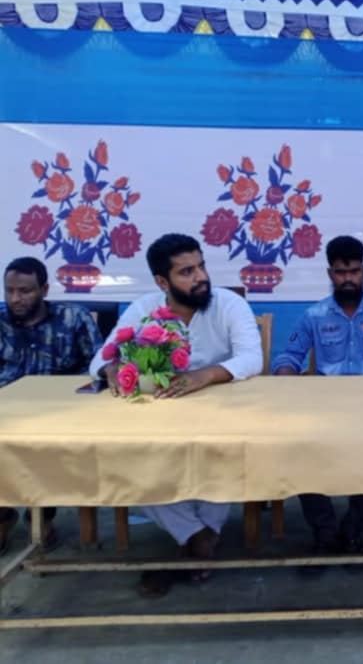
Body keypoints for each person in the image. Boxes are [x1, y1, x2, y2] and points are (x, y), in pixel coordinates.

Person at [89, 234, 262, 597]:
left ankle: (193, 541)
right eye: (187, 272)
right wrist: (111, 367)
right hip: (158, 419)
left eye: (201, 266)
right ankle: (200, 537)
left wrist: (204, 375)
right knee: (122, 462)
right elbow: (101, 358)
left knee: (229, 456)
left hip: (223, 417)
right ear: (162, 282)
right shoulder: (144, 308)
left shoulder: (229, 304)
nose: (200, 277)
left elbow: (252, 358)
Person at [272, 235, 363, 568]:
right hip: (324, 408)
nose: (348, 279)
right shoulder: (315, 314)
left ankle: (352, 530)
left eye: (354, 271)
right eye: (340, 272)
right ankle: (324, 532)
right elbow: (288, 358)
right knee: (300, 453)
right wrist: (289, 383)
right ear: (330, 274)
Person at [1, 256, 102, 554]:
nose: (15, 299)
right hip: (6, 411)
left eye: (24, 291)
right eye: (9, 290)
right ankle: (3, 515)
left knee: (48, 447)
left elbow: (99, 366)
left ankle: (42, 516)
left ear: (44, 290)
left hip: (60, 411)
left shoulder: (74, 318)